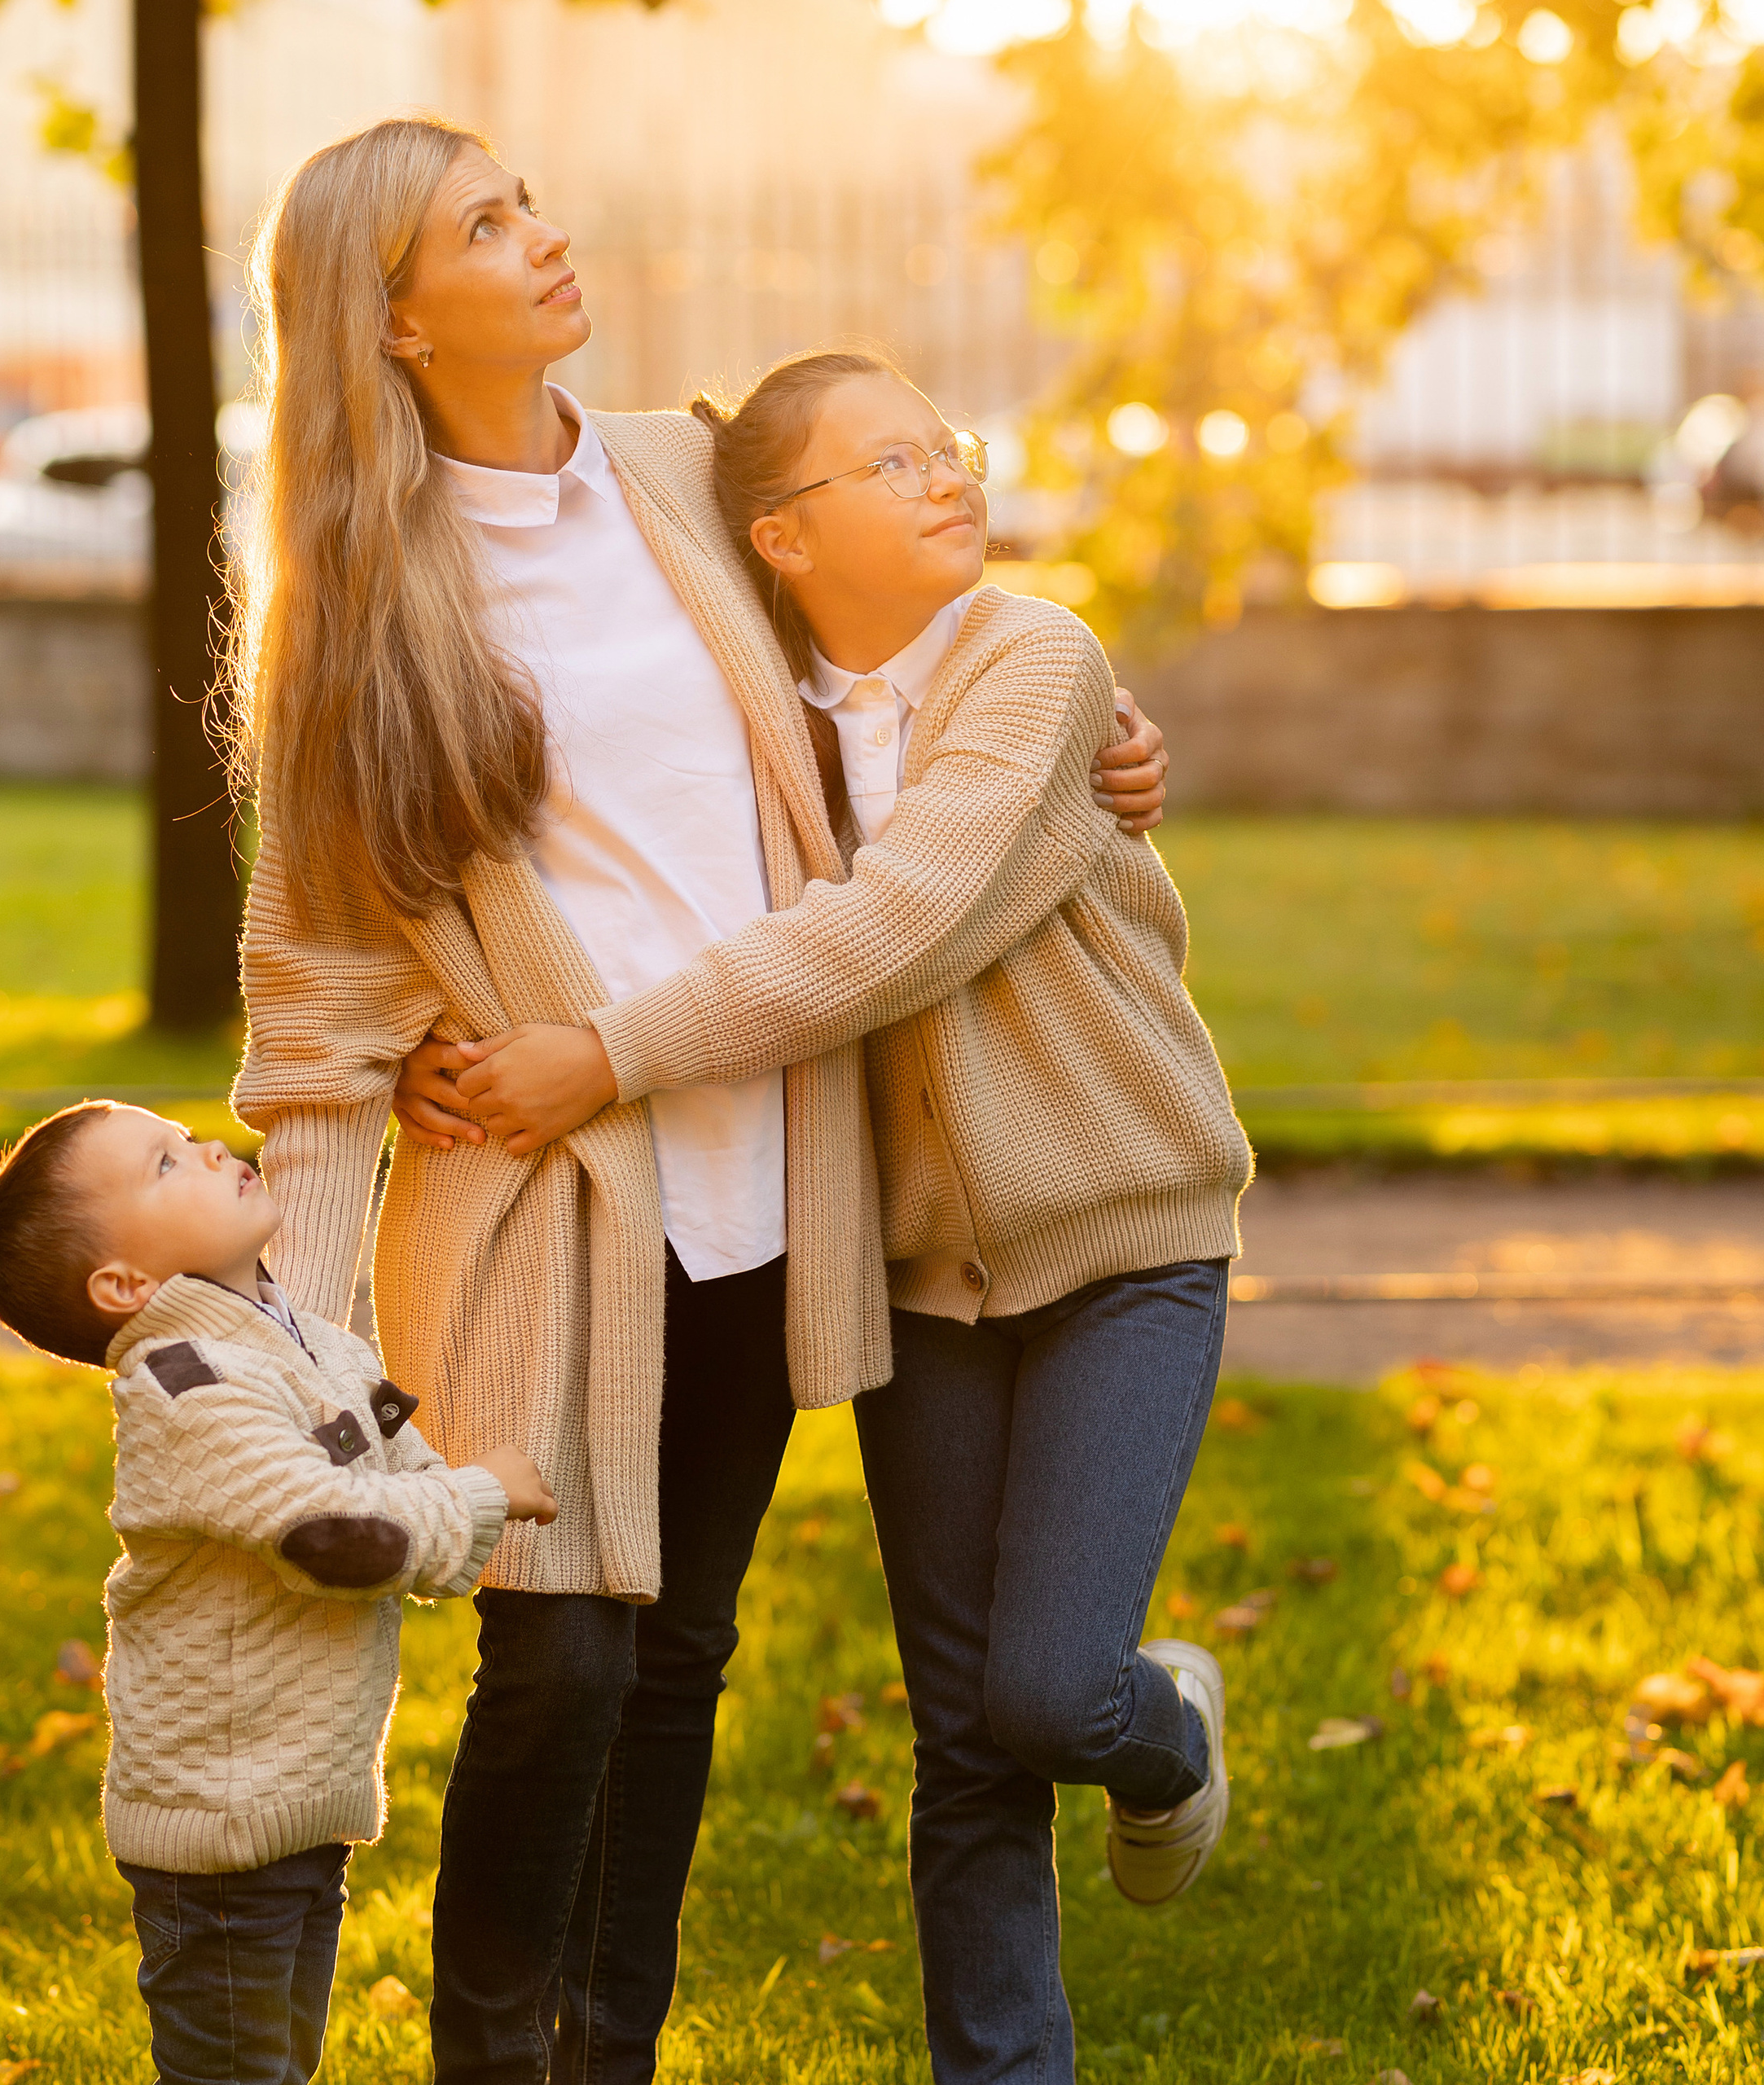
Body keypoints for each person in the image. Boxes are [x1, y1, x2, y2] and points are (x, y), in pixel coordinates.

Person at [227, 114, 1173, 2085]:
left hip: (765, 1174)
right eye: (483, 228)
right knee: (558, 1647)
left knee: (675, 1658)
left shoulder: (672, 470)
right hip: (536, 1197)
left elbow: (890, 653)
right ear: (392, 323)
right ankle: (489, 2051)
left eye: (524, 198)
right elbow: (316, 1036)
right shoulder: (362, 609)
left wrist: (1098, 741)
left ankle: (610, 2048)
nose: (543, 235)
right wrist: (299, 1366)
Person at [402, 349, 1253, 2085]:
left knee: (1047, 1693)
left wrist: (603, 1057)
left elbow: (892, 925)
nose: (947, 471)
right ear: (782, 539)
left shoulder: (1033, 656)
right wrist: (433, 1021)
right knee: (964, 1745)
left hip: (1122, 1243)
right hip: (909, 1279)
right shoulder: (761, 711)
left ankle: (1159, 1731)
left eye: (944, 440)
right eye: (889, 460)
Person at [0, 1100, 555, 2085]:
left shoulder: (314, 1346)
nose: (206, 1146)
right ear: (124, 1283)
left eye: (185, 1138)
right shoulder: (188, 1387)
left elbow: (413, 1513)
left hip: (297, 1801)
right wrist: (481, 1492)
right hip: (223, 1826)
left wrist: (457, 1507)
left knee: (282, 2060)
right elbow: (338, 1537)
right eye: (163, 1164)